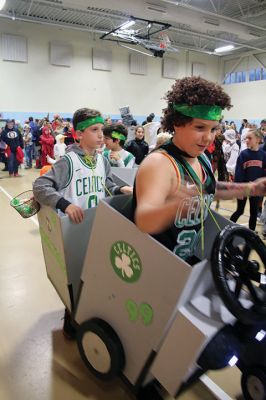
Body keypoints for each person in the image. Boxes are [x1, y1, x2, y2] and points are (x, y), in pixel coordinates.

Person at [132, 76, 266, 264]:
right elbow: (144, 220)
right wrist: (175, 206)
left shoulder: (201, 157)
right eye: (200, 127)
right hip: (157, 269)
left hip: (187, 262)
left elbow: (209, 190)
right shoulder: (159, 163)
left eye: (213, 129)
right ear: (177, 122)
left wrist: (251, 188)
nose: (209, 137)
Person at [33, 107, 133, 339]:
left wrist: (120, 188)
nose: (101, 135)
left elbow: (106, 183)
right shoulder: (68, 161)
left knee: (94, 275)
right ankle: (71, 319)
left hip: (96, 227)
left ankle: (86, 314)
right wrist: (64, 204)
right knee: (75, 277)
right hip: (73, 231)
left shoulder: (101, 159)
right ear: (79, 134)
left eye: (102, 130)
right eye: (94, 130)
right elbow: (40, 187)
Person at [230, 129, 266, 231]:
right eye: (246, 138)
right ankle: (227, 228)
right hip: (244, 188)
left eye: (249, 138)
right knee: (240, 211)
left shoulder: (263, 155)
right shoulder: (244, 154)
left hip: (256, 189)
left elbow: (264, 173)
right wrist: (239, 189)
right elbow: (239, 173)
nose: (246, 140)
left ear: (258, 140)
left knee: (253, 213)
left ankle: (251, 235)